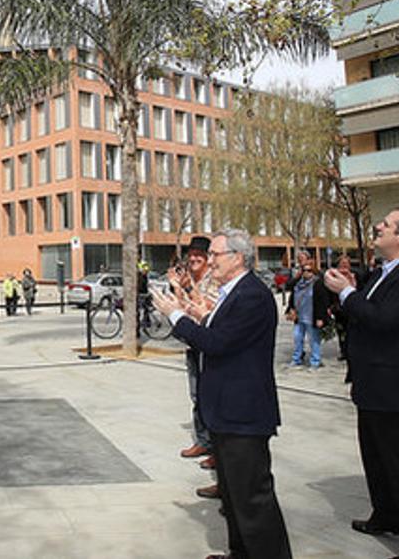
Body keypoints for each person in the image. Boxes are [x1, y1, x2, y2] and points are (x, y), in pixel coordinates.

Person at [153, 229, 292, 559]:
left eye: (215, 255)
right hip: (225, 409)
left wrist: (176, 315)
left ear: (238, 258)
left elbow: (218, 344)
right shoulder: (233, 292)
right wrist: (201, 315)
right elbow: (224, 332)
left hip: (243, 411)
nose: (209, 261)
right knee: (233, 495)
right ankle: (240, 552)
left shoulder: (252, 295)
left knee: (252, 498)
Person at [323, 206, 399, 559]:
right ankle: (388, 515)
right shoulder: (384, 271)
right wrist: (345, 300)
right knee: (377, 458)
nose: (377, 227)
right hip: (375, 384)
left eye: (386, 225)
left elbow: (385, 320)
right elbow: (367, 315)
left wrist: (347, 294)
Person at [173, 236, 216, 468]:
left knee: (211, 396)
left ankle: (218, 449)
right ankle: (204, 441)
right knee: (196, 395)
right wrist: (178, 288)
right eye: (191, 254)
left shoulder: (214, 280)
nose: (194, 258)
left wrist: (188, 288)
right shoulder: (188, 278)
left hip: (209, 344)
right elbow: (183, 308)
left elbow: (209, 309)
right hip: (192, 343)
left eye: (200, 254)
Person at [285, 258, 330, 369]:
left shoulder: (318, 284)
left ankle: (315, 360)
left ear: (313, 271)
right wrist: (289, 309)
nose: (306, 272)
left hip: (312, 316)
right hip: (299, 317)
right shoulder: (298, 283)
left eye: (309, 270)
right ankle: (297, 359)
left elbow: (322, 302)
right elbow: (292, 295)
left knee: (314, 339)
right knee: (297, 338)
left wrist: (321, 318)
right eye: (304, 270)